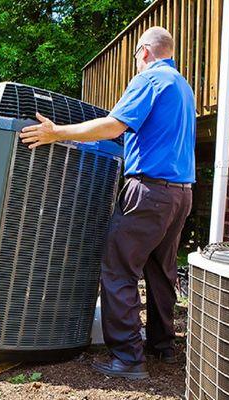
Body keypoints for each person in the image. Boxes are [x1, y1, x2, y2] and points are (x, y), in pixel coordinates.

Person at [20, 26, 195, 379]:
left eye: (135, 56)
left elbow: (113, 126)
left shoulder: (150, 80)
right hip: (181, 194)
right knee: (161, 273)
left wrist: (57, 133)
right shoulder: (182, 86)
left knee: (118, 269)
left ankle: (128, 359)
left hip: (149, 192)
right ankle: (161, 346)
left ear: (145, 51)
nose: (134, 62)